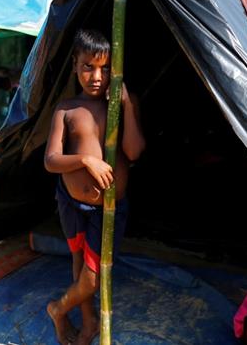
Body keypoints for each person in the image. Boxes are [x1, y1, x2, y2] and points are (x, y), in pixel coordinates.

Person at [44, 29, 145, 345]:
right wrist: (86, 161)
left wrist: (127, 106)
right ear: (75, 65)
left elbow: (134, 152)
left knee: (90, 278)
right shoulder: (67, 108)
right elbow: (51, 161)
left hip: (109, 209)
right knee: (78, 263)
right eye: (88, 66)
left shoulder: (120, 105)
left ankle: (58, 309)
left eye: (104, 68)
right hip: (71, 203)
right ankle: (88, 325)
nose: (96, 76)